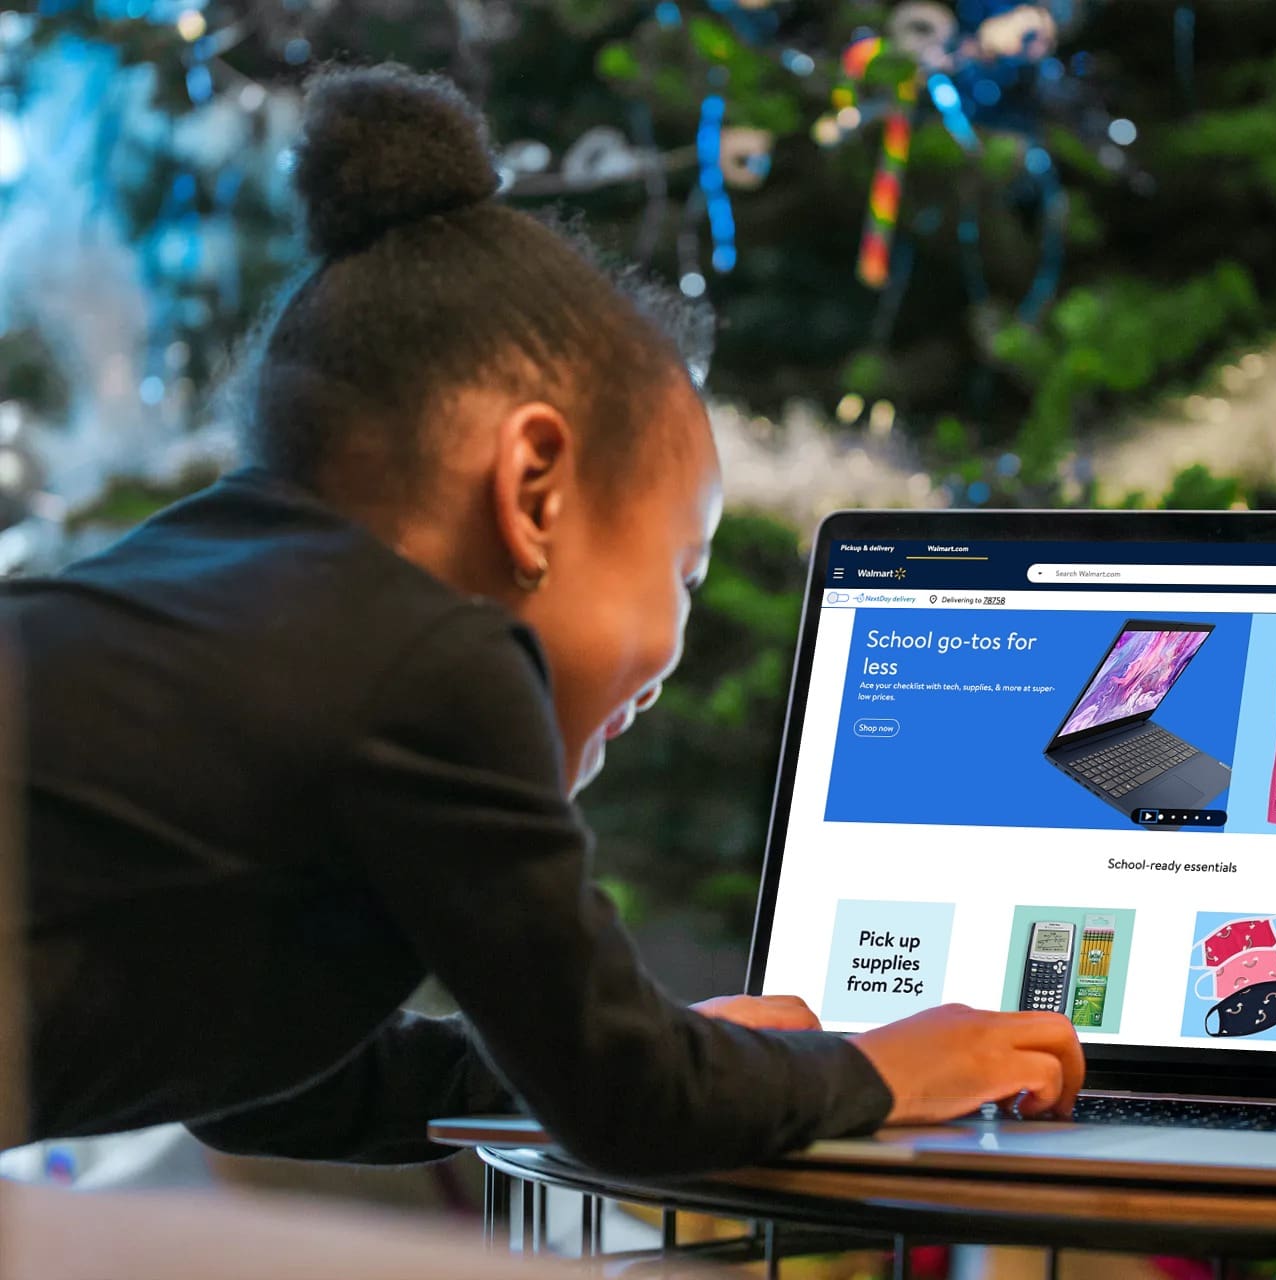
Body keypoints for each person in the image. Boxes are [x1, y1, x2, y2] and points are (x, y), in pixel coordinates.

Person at [0, 64, 1083, 1176]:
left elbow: (262, 1086)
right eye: (683, 571)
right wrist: (884, 1070)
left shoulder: (208, 588)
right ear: (533, 490)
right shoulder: (435, 663)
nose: (667, 665)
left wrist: (701, 1058)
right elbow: (634, 1101)